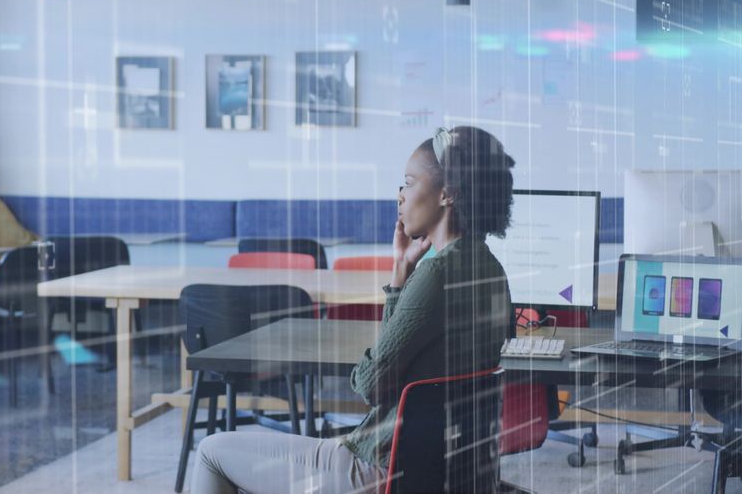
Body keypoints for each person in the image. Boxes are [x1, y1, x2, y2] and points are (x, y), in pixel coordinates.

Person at [191, 126, 516, 494]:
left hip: (380, 469)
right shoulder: (489, 268)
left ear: (447, 194)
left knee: (211, 451)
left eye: (409, 183)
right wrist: (400, 274)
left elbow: (370, 385)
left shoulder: (438, 274)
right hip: (447, 473)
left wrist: (400, 284)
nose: (400, 196)